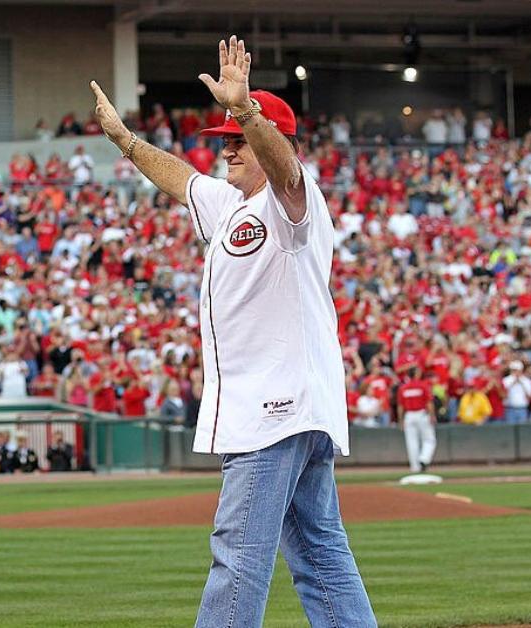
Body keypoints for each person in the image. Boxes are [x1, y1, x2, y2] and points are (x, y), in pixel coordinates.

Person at [89, 35, 375, 627]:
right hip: (287, 405)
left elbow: (285, 169)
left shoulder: (293, 201)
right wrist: (125, 141)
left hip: (275, 408)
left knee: (238, 551)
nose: (228, 150)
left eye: (238, 141)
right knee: (319, 551)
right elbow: (180, 179)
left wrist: (248, 110)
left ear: (272, 141)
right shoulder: (232, 206)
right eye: (224, 141)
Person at [397, 367, 437, 473]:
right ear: (416, 374)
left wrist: (400, 420)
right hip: (421, 414)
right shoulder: (423, 385)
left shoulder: (403, 387)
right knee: (429, 440)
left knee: (411, 442)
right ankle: (423, 459)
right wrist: (432, 415)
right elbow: (429, 402)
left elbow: (400, 406)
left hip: (409, 415)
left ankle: (415, 467)